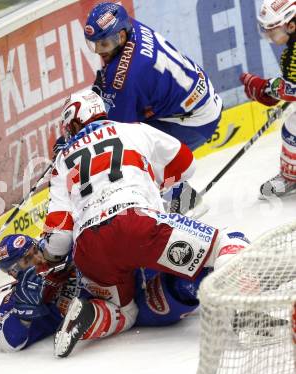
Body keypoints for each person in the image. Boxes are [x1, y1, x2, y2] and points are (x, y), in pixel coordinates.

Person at [42, 89, 248, 358]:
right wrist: (151, 185)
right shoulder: (133, 130)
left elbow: (58, 239)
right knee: (229, 242)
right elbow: (186, 164)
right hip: (136, 223)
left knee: (125, 313)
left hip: (89, 249)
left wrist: (50, 258)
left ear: (73, 121)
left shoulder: (61, 161)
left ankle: (89, 315)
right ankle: (244, 309)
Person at [83, 2, 223, 215]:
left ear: (120, 36)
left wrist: (82, 133)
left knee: (131, 155)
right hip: (196, 100)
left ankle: (184, 199)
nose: (99, 51)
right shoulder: (132, 27)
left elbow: (118, 133)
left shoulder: (127, 78)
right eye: (95, 45)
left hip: (194, 120)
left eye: (104, 44)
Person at [0, 233, 228, 352]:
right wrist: (23, 312)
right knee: (185, 286)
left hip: (136, 271)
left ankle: (246, 279)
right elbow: (8, 341)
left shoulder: (57, 246)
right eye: (27, 259)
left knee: (200, 262)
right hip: (134, 306)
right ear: (13, 271)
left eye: (34, 250)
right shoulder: (18, 298)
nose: (37, 258)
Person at [240, 0, 296, 197]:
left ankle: (291, 177)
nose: (269, 35)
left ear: (291, 25)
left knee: (293, 128)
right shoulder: (291, 52)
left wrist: (265, 87)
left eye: (273, 30)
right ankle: (291, 176)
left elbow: (292, 89)